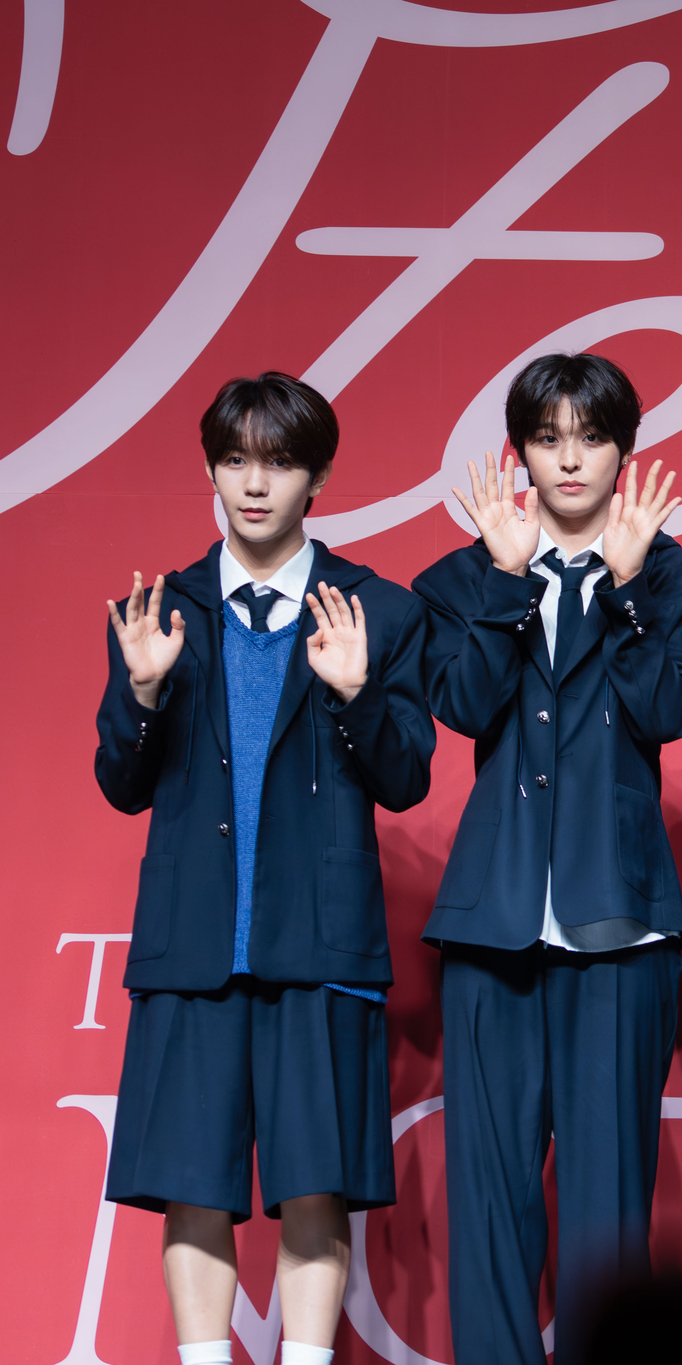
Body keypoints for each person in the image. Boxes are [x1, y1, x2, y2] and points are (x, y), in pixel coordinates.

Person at [95, 372, 435, 1365]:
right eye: (236, 460)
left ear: (318, 475)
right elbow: (122, 781)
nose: (255, 484)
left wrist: (355, 693)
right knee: (193, 1181)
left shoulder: (379, 610)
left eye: (279, 462)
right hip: (194, 945)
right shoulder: (160, 610)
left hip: (317, 940)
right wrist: (145, 693)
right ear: (210, 468)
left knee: (312, 1180)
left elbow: (407, 777)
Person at [410, 352, 682, 1365]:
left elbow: (669, 712)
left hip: (620, 924)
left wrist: (627, 591)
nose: (570, 459)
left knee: (606, 1208)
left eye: (590, 437)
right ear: (520, 454)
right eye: (547, 439)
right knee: (489, 1202)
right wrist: (508, 584)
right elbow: (459, 707)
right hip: (491, 925)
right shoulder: (459, 576)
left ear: (624, 449)